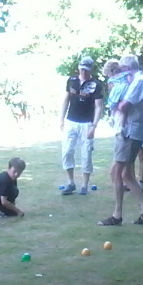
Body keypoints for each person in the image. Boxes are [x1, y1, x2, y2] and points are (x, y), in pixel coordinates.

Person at [98, 55, 143, 226]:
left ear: (127, 68)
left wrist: (114, 103)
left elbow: (124, 105)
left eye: (121, 69)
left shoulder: (139, 82)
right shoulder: (135, 81)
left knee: (115, 172)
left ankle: (117, 216)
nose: (119, 73)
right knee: (127, 174)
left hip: (129, 134)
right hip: (132, 133)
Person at [59, 56, 105, 195]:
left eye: (87, 70)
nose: (84, 72)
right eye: (82, 69)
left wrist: (94, 125)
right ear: (79, 67)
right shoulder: (72, 81)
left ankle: (85, 184)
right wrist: (61, 118)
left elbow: (99, 107)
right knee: (67, 151)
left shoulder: (96, 85)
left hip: (87, 123)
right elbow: (66, 99)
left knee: (86, 154)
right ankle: (71, 182)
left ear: (91, 70)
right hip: (71, 121)